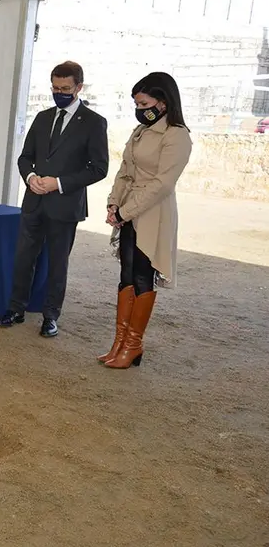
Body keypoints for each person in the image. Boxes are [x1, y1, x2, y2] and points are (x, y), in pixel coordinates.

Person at [0, 61, 109, 337]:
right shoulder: (42, 118)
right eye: (55, 88)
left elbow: (99, 168)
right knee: (24, 258)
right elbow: (25, 157)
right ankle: (16, 308)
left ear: (79, 87)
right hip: (34, 201)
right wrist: (30, 177)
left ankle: (50, 316)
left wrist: (58, 183)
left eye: (65, 88)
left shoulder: (94, 122)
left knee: (58, 264)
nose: (59, 93)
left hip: (65, 205)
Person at [100, 72, 192, 369]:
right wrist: (114, 203)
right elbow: (124, 171)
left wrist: (125, 212)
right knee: (126, 274)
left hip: (154, 212)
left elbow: (163, 184)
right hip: (129, 208)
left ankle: (133, 345)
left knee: (142, 275)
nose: (139, 109)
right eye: (136, 104)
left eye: (144, 104)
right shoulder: (140, 132)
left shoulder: (176, 135)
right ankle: (119, 343)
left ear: (163, 102)